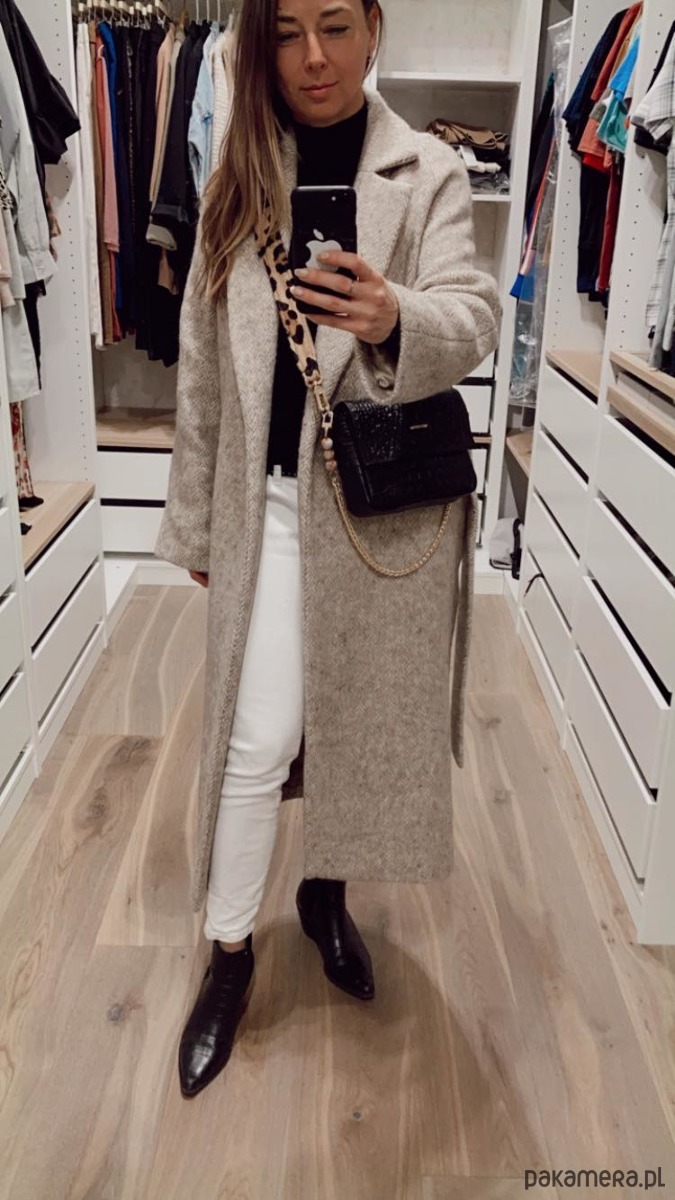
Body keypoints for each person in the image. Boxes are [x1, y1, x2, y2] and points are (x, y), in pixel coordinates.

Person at [155, 0, 501, 1100]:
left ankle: (324, 895)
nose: (314, 56)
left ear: (374, 29)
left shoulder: (427, 171)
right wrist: (196, 524)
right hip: (264, 506)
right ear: (261, 42)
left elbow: (475, 313)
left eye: (337, 26)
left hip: (377, 506)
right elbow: (202, 365)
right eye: (289, 30)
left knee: (351, 720)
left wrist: (393, 315)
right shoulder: (238, 178)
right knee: (255, 739)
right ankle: (228, 956)